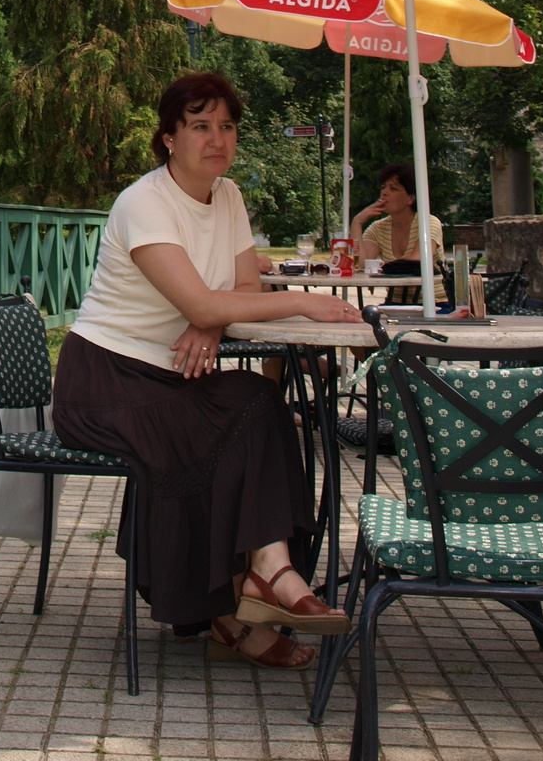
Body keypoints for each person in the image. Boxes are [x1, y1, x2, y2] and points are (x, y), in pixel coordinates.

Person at [51, 71, 365, 670]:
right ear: (169, 136)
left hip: (171, 374)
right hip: (106, 381)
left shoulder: (229, 197)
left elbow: (239, 288)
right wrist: (298, 298)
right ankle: (258, 586)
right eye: (200, 125)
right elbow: (204, 299)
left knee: (256, 402)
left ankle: (256, 587)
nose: (217, 138)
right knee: (240, 413)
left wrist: (214, 320)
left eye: (227, 126)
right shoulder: (144, 202)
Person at [350, 161, 445, 306]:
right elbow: (360, 263)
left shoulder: (428, 223)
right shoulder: (378, 228)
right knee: (361, 318)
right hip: (395, 303)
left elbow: (416, 263)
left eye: (393, 189)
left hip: (434, 303)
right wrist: (357, 223)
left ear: (410, 198)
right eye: (383, 187)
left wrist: (380, 267)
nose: (385, 192)